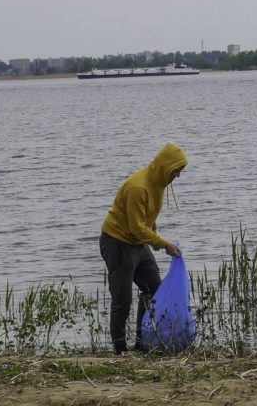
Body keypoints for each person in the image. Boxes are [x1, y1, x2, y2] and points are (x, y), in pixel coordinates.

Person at [99, 142, 187, 354]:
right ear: (165, 166)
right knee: (122, 299)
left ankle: (142, 343)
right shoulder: (138, 187)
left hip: (137, 243)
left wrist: (153, 236)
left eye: (180, 171)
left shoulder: (159, 182)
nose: (178, 175)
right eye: (176, 170)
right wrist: (162, 243)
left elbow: (147, 218)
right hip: (117, 242)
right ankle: (120, 350)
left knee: (153, 290)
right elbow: (136, 227)